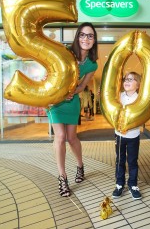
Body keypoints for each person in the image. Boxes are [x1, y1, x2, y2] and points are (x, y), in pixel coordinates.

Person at [46, 22, 98, 197]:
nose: (86, 38)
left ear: (94, 40)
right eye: (82, 35)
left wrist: (71, 92)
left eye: (90, 36)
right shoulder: (65, 52)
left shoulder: (92, 65)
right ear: (77, 37)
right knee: (60, 137)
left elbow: (83, 86)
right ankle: (62, 177)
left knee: (72, 138)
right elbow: (50, 69)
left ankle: (80, 165)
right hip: (56, 101)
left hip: (72, 101)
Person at [112, 72, 150, 200]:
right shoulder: (118, 96)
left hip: (134, 135)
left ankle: (133, 184)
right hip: (119, 135)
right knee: (120, 160)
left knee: (133, 161)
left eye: (131, 79)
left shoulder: (141, 98)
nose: (127, 81)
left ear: (138, 84)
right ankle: (119, 184)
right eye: (125, 79)